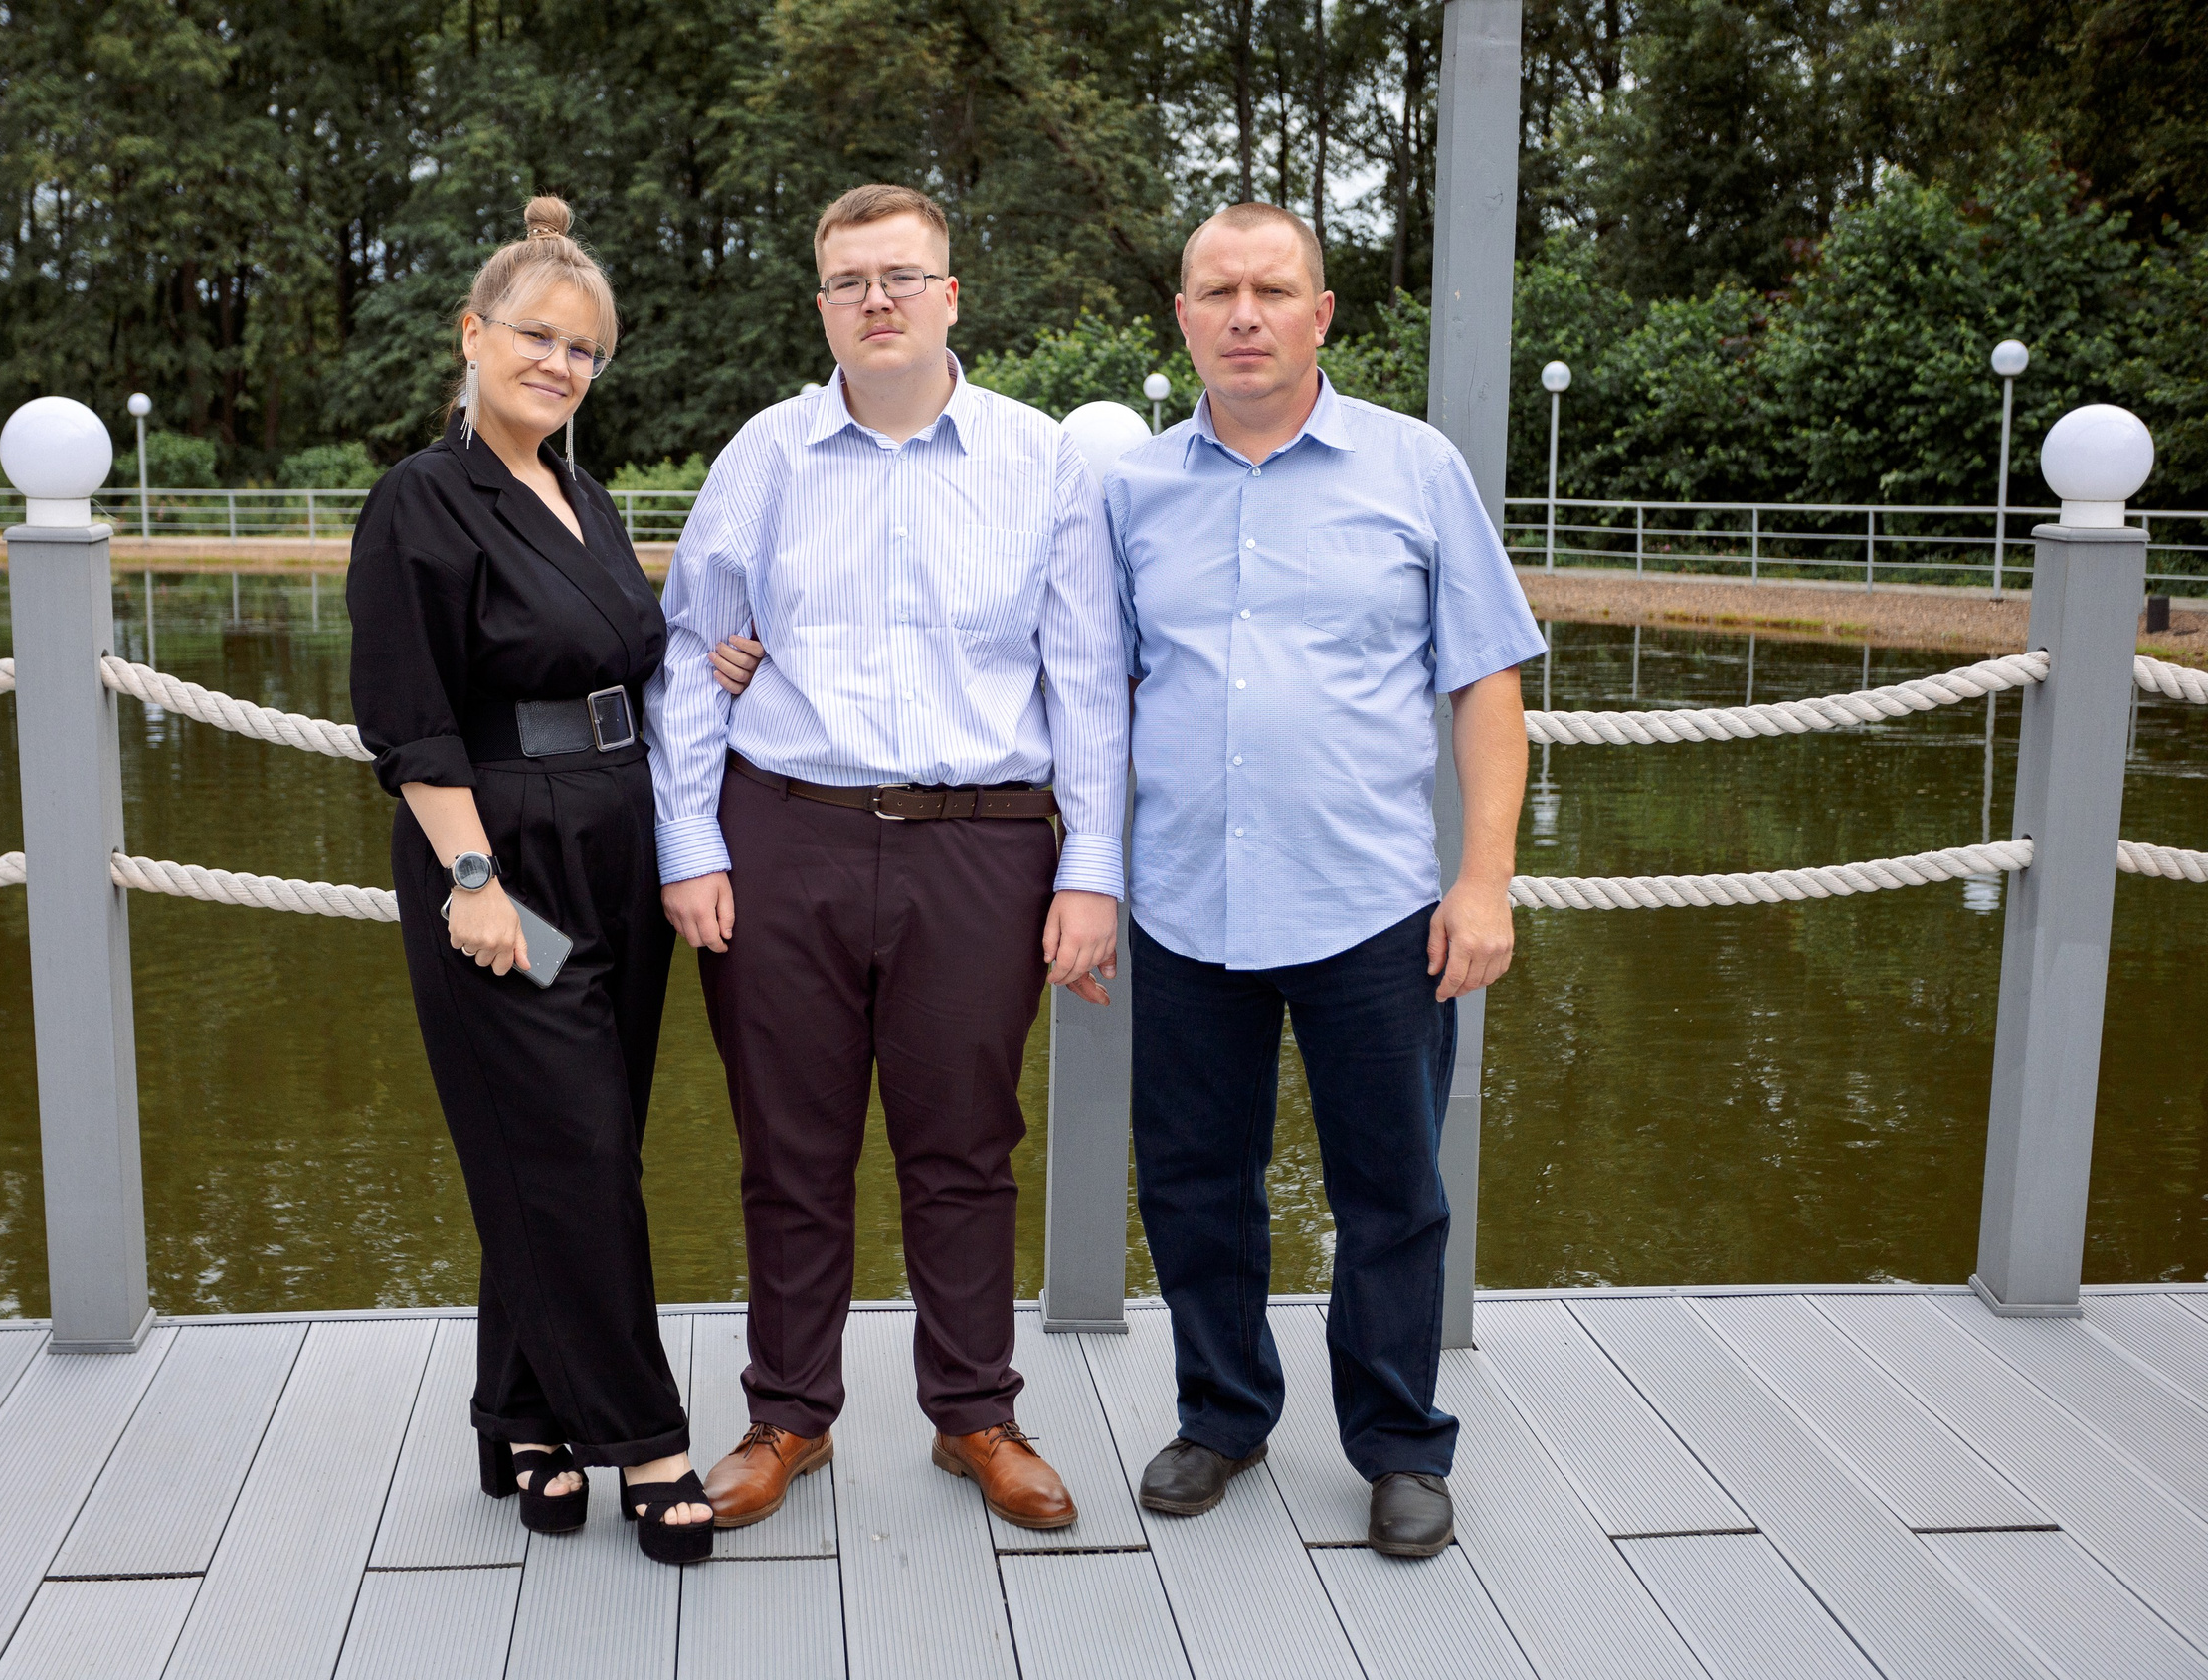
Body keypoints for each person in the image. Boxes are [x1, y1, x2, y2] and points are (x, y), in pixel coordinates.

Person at [647, 183, 1129, 1533]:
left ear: (951, 295)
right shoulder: (766, 456)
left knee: (964, 1146)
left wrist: (1092, 870)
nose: (877, 299)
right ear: (820, 304)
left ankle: (974, 1413)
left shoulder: (1043, 463)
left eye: (903, 276)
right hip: (783, 832)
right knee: (788, 1148)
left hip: (980, 850)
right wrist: (689, 841)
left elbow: (1090, 684)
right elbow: (695, 652)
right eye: (851, 279)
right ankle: (787, 1418)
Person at [1102, 203, 1543, 1558]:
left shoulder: (1415, 472)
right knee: (1192, 1181)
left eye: (1271, 290)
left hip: (1372, 910)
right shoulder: (1130, 494)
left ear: (1321, 313)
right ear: (1180, 317)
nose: (1244, 313)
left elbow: (1486, 685)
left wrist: (1484, 881)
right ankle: (1224, 1414)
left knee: (1392, 1191)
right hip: (1182, 904)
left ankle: (1400, 1445)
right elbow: (1078, 689)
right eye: (1216, 291)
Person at [347, 195, 714, 1566]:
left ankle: (525, 1415)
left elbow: (624, 652)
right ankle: (647, 1443)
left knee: (577, 1143)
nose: (560, 366)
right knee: (566, 1146)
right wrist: (475, 880)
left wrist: (710, 659)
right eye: (538, 338)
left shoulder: (587, 497)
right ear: (476, 335)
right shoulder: (421, 502)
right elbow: (409, 716)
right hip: (507, 856)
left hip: (615, 842)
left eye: (585, 352)